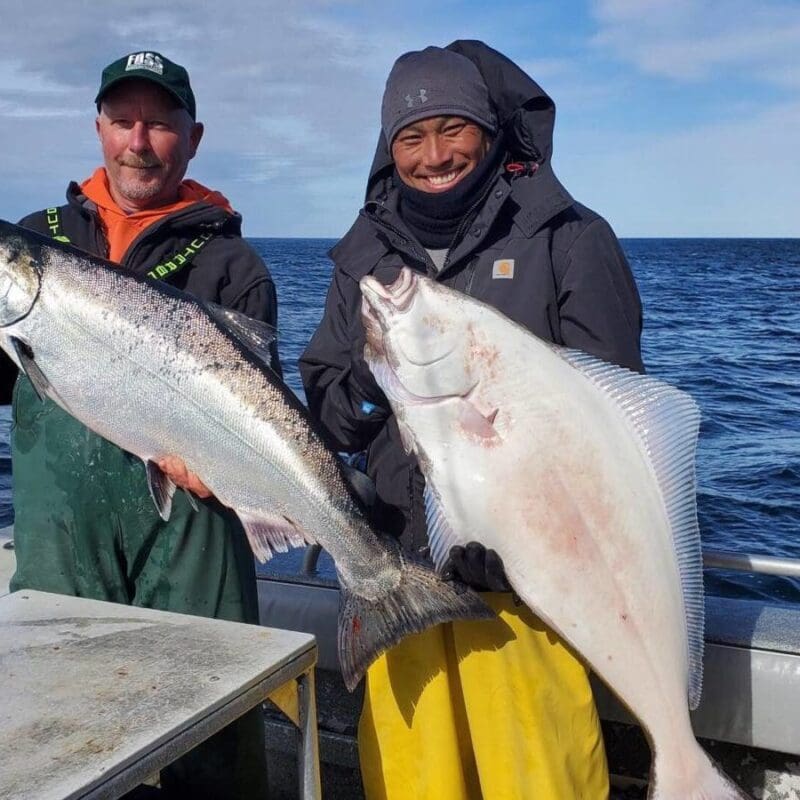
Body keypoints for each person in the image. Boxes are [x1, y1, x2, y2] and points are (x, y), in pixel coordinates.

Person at [300, 41, 644, 799]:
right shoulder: (362, 255)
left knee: (543, 780)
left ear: (489, 131)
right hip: (398, 582)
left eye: (452, 128)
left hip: (531, 592)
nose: (434, 156)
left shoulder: (567, 237)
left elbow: (614, 412)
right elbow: (327, 400)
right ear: (388, 148)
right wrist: (369, 384)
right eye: (411, 136)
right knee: (411, 782)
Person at [5, 51, 277, 800]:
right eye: (122, 121)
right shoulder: (38, 235)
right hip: (62, 535)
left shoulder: (232, 264)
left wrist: (225, 471)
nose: (138, 142)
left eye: (158, 124)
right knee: (59, 733)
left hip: (193, 536)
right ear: (98, 129)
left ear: (193, 137)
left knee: (212, 731)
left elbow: (263, 417)